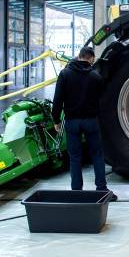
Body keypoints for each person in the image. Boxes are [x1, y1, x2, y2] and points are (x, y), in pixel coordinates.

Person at [52, 46, 117, 201]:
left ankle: (77, 192)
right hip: (91, 121)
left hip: (72, 122)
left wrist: (56, 120)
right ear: (91, 59)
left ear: (78, 56)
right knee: (97, 155)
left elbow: (57, 100)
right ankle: (101, 189)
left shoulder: (65, 74)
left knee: (75, 157)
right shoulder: (95, 77)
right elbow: (103, 100)